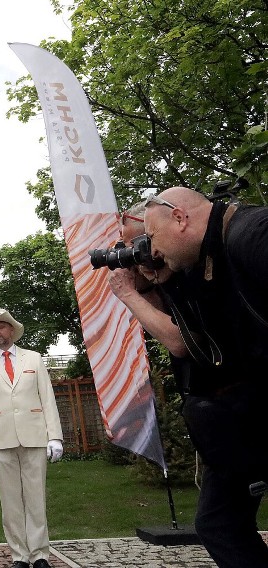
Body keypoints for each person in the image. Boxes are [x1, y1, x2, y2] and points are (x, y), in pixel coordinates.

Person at [140, 186, 268, 566]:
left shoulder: (252, 233)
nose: (152, 250)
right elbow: (201, 334)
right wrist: (157, 285)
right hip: (244, 416)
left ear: (180, 217)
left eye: (152, 237)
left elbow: (183, 343)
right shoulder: (209, 260)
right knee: (218, 522)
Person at [0, 309, 63, 568]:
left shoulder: (33, 359)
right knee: (10, 501)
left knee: (36, 498)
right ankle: (20, 556)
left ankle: (40, 554)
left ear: (12, 329)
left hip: (35, 436)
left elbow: (47, 398)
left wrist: (54, 436)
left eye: (0, 326)